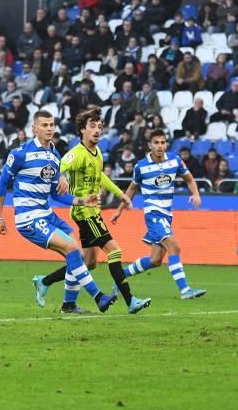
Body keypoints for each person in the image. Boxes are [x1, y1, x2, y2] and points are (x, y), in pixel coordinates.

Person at [0, 110, 116, 314]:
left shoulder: (54, 155)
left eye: (51, 124)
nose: (49, 128)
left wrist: (81, 200)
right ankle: (98, 296)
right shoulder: (20, 153)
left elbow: (56, 194)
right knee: (73, 247)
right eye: (44, 125)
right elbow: (2, 183)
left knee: (74, 254)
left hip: (47, 214)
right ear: (34, 128)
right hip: (29, 218)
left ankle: (67, 304)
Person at [34, 106, 151, 315]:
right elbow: (60, 165)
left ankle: (46, 283)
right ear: (82, 130)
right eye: (92, 126)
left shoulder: (97, 154)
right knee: (114, 251)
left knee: (88, 263)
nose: (97, 130)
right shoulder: (77, 154)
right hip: (84, 213)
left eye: (100, 126)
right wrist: (60, 176)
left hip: (92, 212)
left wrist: (120, 194)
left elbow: (101, 177)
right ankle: (130, 300)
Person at [112, 130, 207, 299]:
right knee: (174, 247)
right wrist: (120, 209)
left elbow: (190, 179)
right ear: (150, 145)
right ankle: (185, 290)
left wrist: (196, 194)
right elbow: (132, 188)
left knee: (155, 260)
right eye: (156, 142)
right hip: (153, 213)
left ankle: (120, 277)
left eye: (163, 142)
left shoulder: (175, 160)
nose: (160, 146)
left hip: (167, 215)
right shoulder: (141, 166)